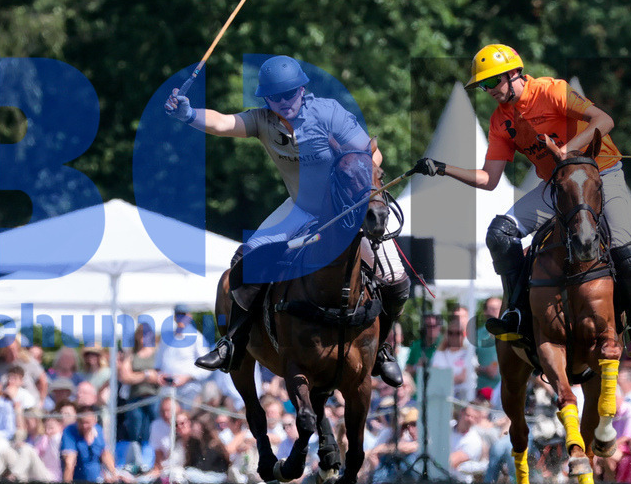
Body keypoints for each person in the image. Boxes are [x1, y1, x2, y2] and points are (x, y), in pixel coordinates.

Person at [165, 55, 408, 387]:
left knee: (395, 278)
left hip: (347, 210)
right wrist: (188, 114)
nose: (284, 102)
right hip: (301, 208)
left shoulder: (329, 112)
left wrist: (349, 164)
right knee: (246, 261)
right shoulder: (263, 120)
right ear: (266, 98)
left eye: (290, 94)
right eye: (276, 97)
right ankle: (233, 342)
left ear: (303, 89)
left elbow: (372, 154)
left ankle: (382, 350)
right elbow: (223, 122)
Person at [410, 44, 631, 357]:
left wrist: (567, 152)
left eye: (492, 81)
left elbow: (603, 120)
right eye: (483, 85)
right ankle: (515, 310)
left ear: (514, 73)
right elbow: (489, 178)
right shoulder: (500, 122)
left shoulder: (552, 91)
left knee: (630, 259)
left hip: (601, 175)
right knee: (500, 233)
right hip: (558, 187)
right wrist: (442, 169)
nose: (489, 90)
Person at [154, 305, 211, 407]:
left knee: (186, 421)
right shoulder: (166, 338)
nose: (180, 318)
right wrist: (161, 376)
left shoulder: (198, 338)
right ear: (174, 317)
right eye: (178, 314)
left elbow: (208, 366)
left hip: (189, 391)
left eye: (183, 314)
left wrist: (187, 377)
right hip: (167, 392)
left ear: (189, 316)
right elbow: (158, 364)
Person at [61, 405, 124, 483]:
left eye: (87, 423)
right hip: (77, 483)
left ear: (94, 420)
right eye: (81, 422)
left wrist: (114, 473)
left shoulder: (98, 430)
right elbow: (69, 463)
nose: (84, 426)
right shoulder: (69, 432)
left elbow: (104, 453)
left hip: (96, 482)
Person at [431, 308, 478, 402]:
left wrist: (444, 379)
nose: (454, 336)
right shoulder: (439, 353)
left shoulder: (468, 353)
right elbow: (435, 376)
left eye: (458, 333)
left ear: (463, 335)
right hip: (443, 397)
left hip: (464, 398)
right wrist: (452, 378)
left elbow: (462, 378)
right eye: (451, 333)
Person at [473, 298, 501, 398]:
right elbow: (467, 363)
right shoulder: (476, 335)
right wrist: (484, 369)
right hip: (483, 390)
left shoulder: (512, 335)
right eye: (491, 309)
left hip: (507, 390)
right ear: (485, 312)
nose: (495, 312)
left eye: (498, 308)